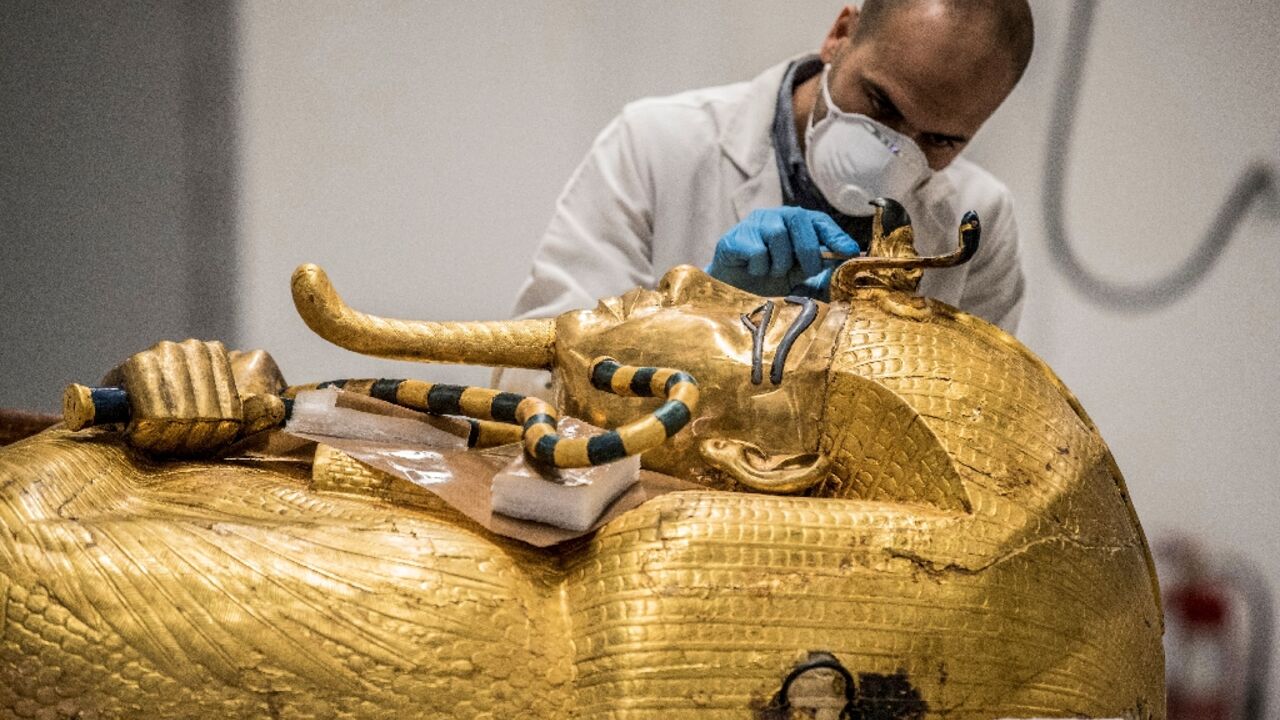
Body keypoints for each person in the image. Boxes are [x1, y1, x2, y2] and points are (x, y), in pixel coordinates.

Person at [498, 0, 1034, 398]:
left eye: (940, 140)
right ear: (839, 35)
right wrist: (702, 313)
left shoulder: (979, 223)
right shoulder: (656, 145)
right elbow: (526, 383)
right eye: (880, 104)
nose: (895, 155)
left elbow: (975, 428)